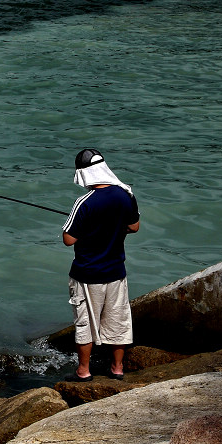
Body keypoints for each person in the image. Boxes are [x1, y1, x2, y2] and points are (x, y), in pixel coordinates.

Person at [61, 148, 140, 382]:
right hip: (116, 271)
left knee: (84, 323)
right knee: (118, 319)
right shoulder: (125, 194)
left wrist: (88, 229)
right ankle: (117, 368)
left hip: (87, 274)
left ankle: (83, 371)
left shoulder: (84, 202)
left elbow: (68, 239)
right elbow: (134, 227)